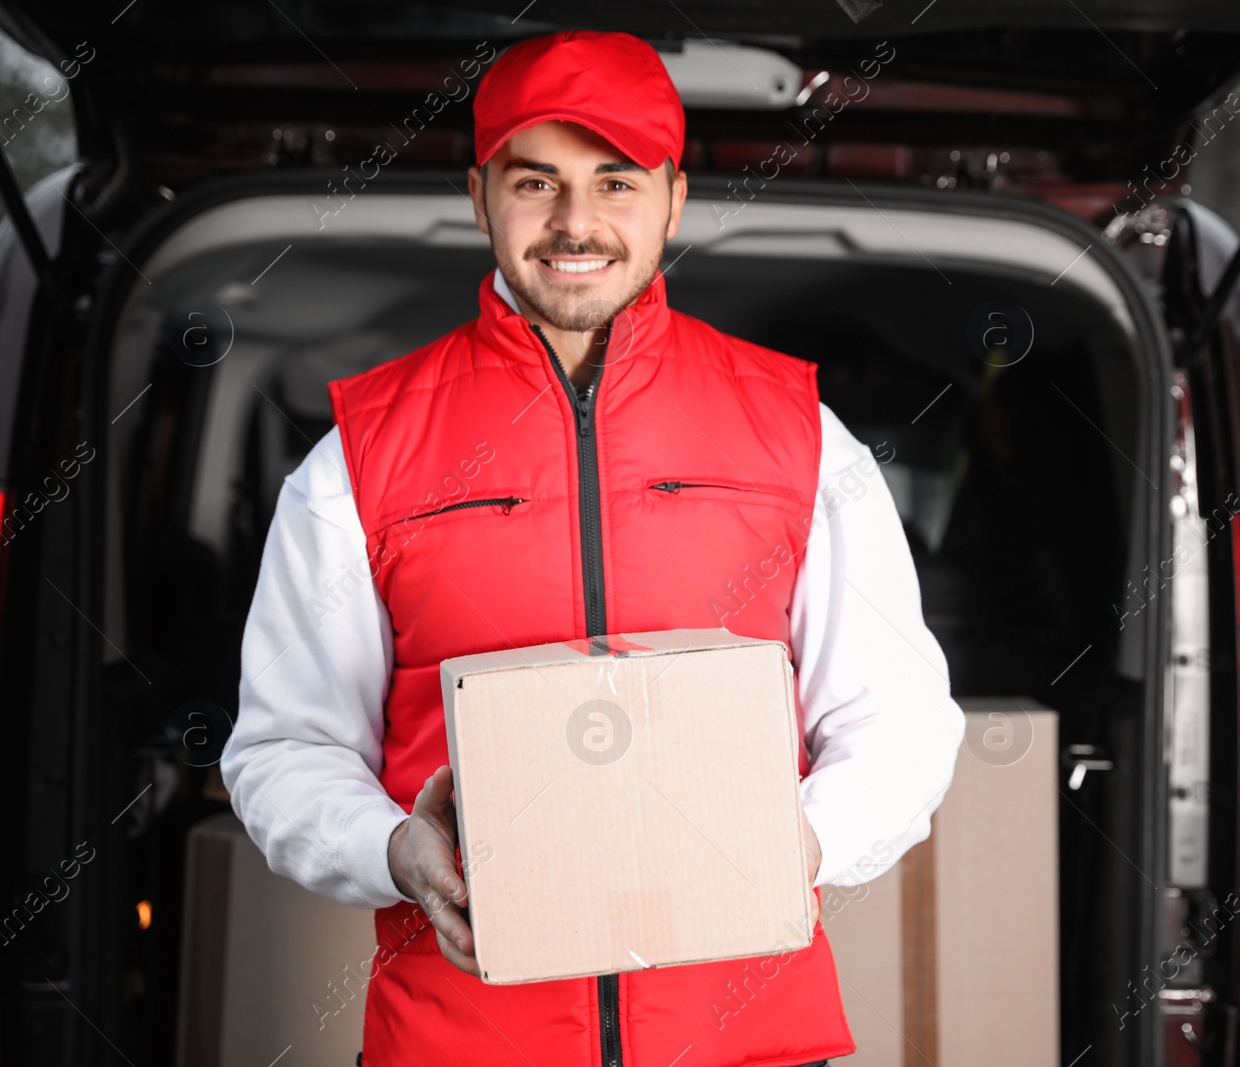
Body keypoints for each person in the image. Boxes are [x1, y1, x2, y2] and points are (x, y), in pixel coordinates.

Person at [220, 28, 965, 1067]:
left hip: (742, 1042)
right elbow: (281, 750)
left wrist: (798, 840)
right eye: (537, 182)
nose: (576, 223)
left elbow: (901, 724)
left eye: (615, 181)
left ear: (673, 195)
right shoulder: (359, 459)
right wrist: (396, 848)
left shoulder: (799, 435)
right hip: (461, 1041)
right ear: (480, 196)